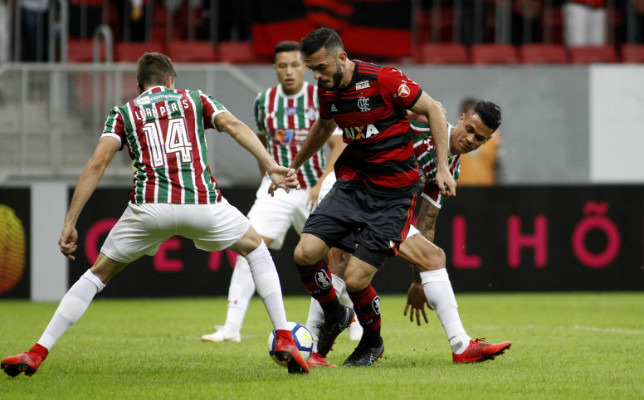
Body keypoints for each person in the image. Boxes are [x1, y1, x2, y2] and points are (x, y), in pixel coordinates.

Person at [1, 52, 310, 377]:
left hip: (149, 207)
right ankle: (286, 339)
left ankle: (37, 351)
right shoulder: (195, 99)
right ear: (171, 80)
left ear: (138, 86)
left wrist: (70, 222)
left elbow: (97, 163)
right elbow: (233, 125)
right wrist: (273, 166)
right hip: (203, 203)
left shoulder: (124, 112)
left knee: (97, 274)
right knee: (255, 248)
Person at [288, 27, 455, 367]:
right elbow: (323, 126)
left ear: (342, 58)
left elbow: (435, 110)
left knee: (355, 279)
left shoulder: (384, 80)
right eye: (312, 70)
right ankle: (335, 313)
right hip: (351, 184)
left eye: (321, 68)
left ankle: (372, 342)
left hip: (393, 194)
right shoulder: (327, 88)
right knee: (304, 254)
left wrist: (442, 168)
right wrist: (294, 164)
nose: (317, 76)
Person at [305, 100, 512, 368]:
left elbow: (426, 222)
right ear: (461, 118)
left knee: (432, 258)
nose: (470, 139)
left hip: (381, 207)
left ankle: (461, 345)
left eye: (479, 138)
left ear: (488, 141)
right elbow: (388, 108)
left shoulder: (451, 167)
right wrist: (409, 108)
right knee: (340, 266)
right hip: (349, 186)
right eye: (469, 129)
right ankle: (311, 345)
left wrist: (418, 280)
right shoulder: (423, 124)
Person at [199, 40, 359, 343]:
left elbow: (338, 143)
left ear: (305, 67)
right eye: (282, 65)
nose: (289, 71)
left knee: (334, 255)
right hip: (279, 190)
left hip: (315, 188)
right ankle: (231, 327)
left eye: (295, 65)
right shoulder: (264, 101)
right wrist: (269, 178)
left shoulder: (319, 96)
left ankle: (354, 318)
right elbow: (260, 141)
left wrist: (321, 182)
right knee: (250, 247)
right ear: (275, 68)